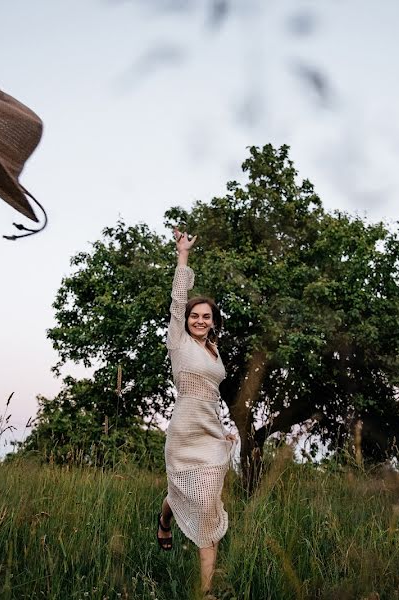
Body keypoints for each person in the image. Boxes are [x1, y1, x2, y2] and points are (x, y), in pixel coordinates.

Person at [157, 227, 236, 594]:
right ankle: (165, 520)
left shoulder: (216, 352)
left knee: (206, 502)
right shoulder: (178, 341)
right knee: (182, 489)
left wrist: (225, 430)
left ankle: (205, 592)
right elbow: (178, 298)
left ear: (213, 321)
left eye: (207, 317)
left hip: (211, 432)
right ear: (186, 320)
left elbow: (213, 395)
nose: (200, 320)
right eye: (195, 316)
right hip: (184, 433)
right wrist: (183, 255)